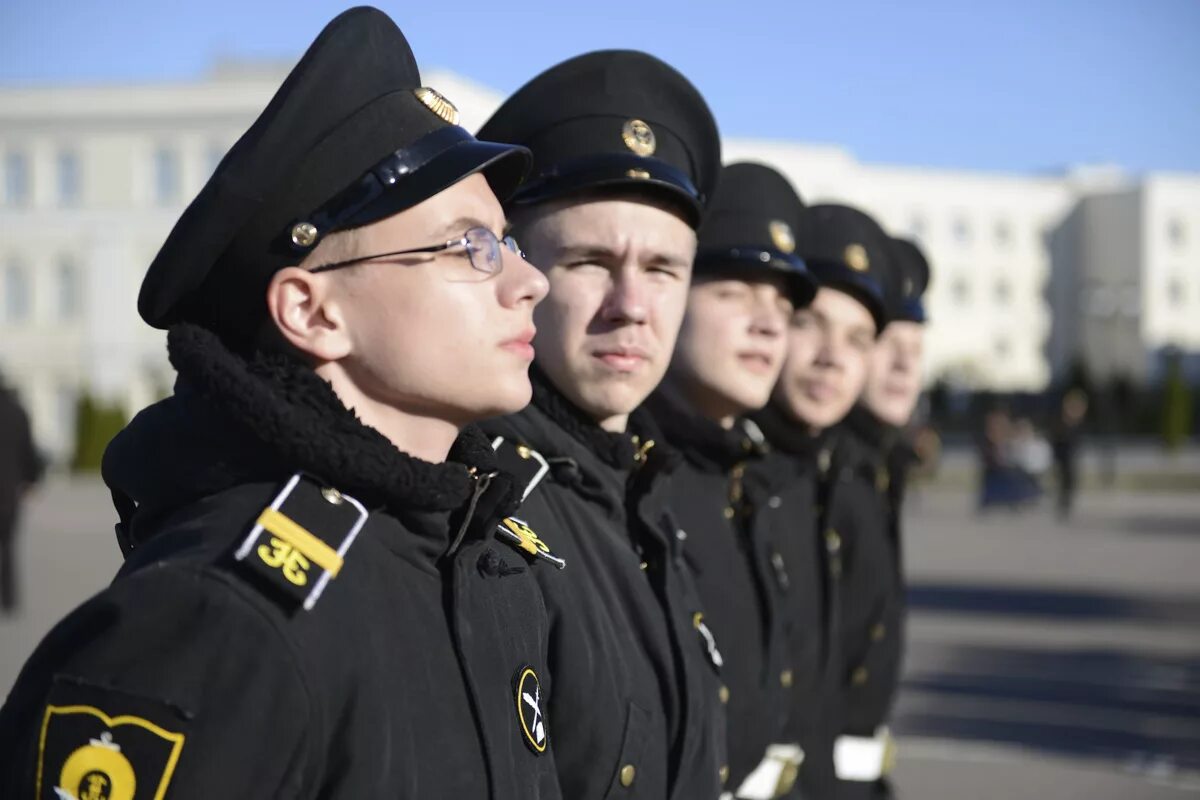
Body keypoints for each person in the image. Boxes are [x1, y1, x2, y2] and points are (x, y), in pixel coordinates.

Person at [0, 9, 565, 797]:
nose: (528, 281)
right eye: (470, 246)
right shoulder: (216, 623)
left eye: (508, 242)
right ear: (311, 311)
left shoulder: (475, 560)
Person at [477, 50, 729, 798]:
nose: (632, 304)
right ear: (515, 270)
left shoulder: (645, 487)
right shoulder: (475, 506)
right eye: (589, 261)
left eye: (662, 269)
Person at [644, 162, 817, 798]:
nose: (770, 324)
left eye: (782, 304)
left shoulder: (746, 473)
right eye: (737, 292)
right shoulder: (634, 473)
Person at [750, 203, 894, 799]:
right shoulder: (735, 480)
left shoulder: (847, 481)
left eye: (858, 338)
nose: (833, 356)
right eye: (811, 323)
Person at [830, 235, 933, 799]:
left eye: (917, 347)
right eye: (890, 341)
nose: (904, 364)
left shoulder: (880, 468)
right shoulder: (827, 472)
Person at [0, 374, 44, 614]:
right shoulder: (18, 413)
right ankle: (9, 599)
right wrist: (31, 480)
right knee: (8, 546)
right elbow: (28, 449)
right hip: (8, 492)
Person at [1050, 388, 1089, 519]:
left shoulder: (1076, 423)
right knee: (1063, 479)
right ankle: (1063, 502)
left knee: (1070, 480)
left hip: (1071, 455)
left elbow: (1077, 441)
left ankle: (1066, 502)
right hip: (1062, 455)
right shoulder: (1061, 421)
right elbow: (1056, 439)